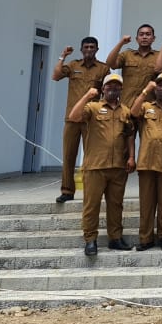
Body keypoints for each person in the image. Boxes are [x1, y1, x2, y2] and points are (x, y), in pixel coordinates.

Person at [68, 73, 134, 256]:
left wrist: (131, 157)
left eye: (117, 85)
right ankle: (90, 240)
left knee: (116, 205)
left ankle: (116, 238)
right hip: (95, 166)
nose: (113, 88)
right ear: (103, 89)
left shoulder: (125, 111)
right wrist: (87, 96)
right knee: (92, 205)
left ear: (121, 89)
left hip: (118, 167)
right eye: (109, 85)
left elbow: (129, 135)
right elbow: (73, 117)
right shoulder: (93, 107)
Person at [52, 37, 110, 204]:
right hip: (72, 118)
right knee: (69, 155)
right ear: (81, 49)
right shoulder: (73, 65)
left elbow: (109, 91)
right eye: (86, 47)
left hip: (92, 119)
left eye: (92, 47)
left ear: (97, 49)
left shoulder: (103, 69)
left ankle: (91, 190)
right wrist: (63, 56)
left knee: (92, 157)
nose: (89, 49)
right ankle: (67, 190)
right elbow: (55, 76)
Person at [129, 72, 162, 251]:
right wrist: (145, 91)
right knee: (147, 203)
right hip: (147, 161)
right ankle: (146, 238)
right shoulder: (146, 105)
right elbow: (133, 113)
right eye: (160, 85)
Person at [105, 25, 160, 108]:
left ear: (153, 38)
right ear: (137, 39)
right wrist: (121, 43)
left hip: (148, 106)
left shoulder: (159, 56)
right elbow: (110, 64)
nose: (144, 37)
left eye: (148, 34)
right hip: (126, 105)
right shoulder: (127, 54)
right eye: (141, 34)